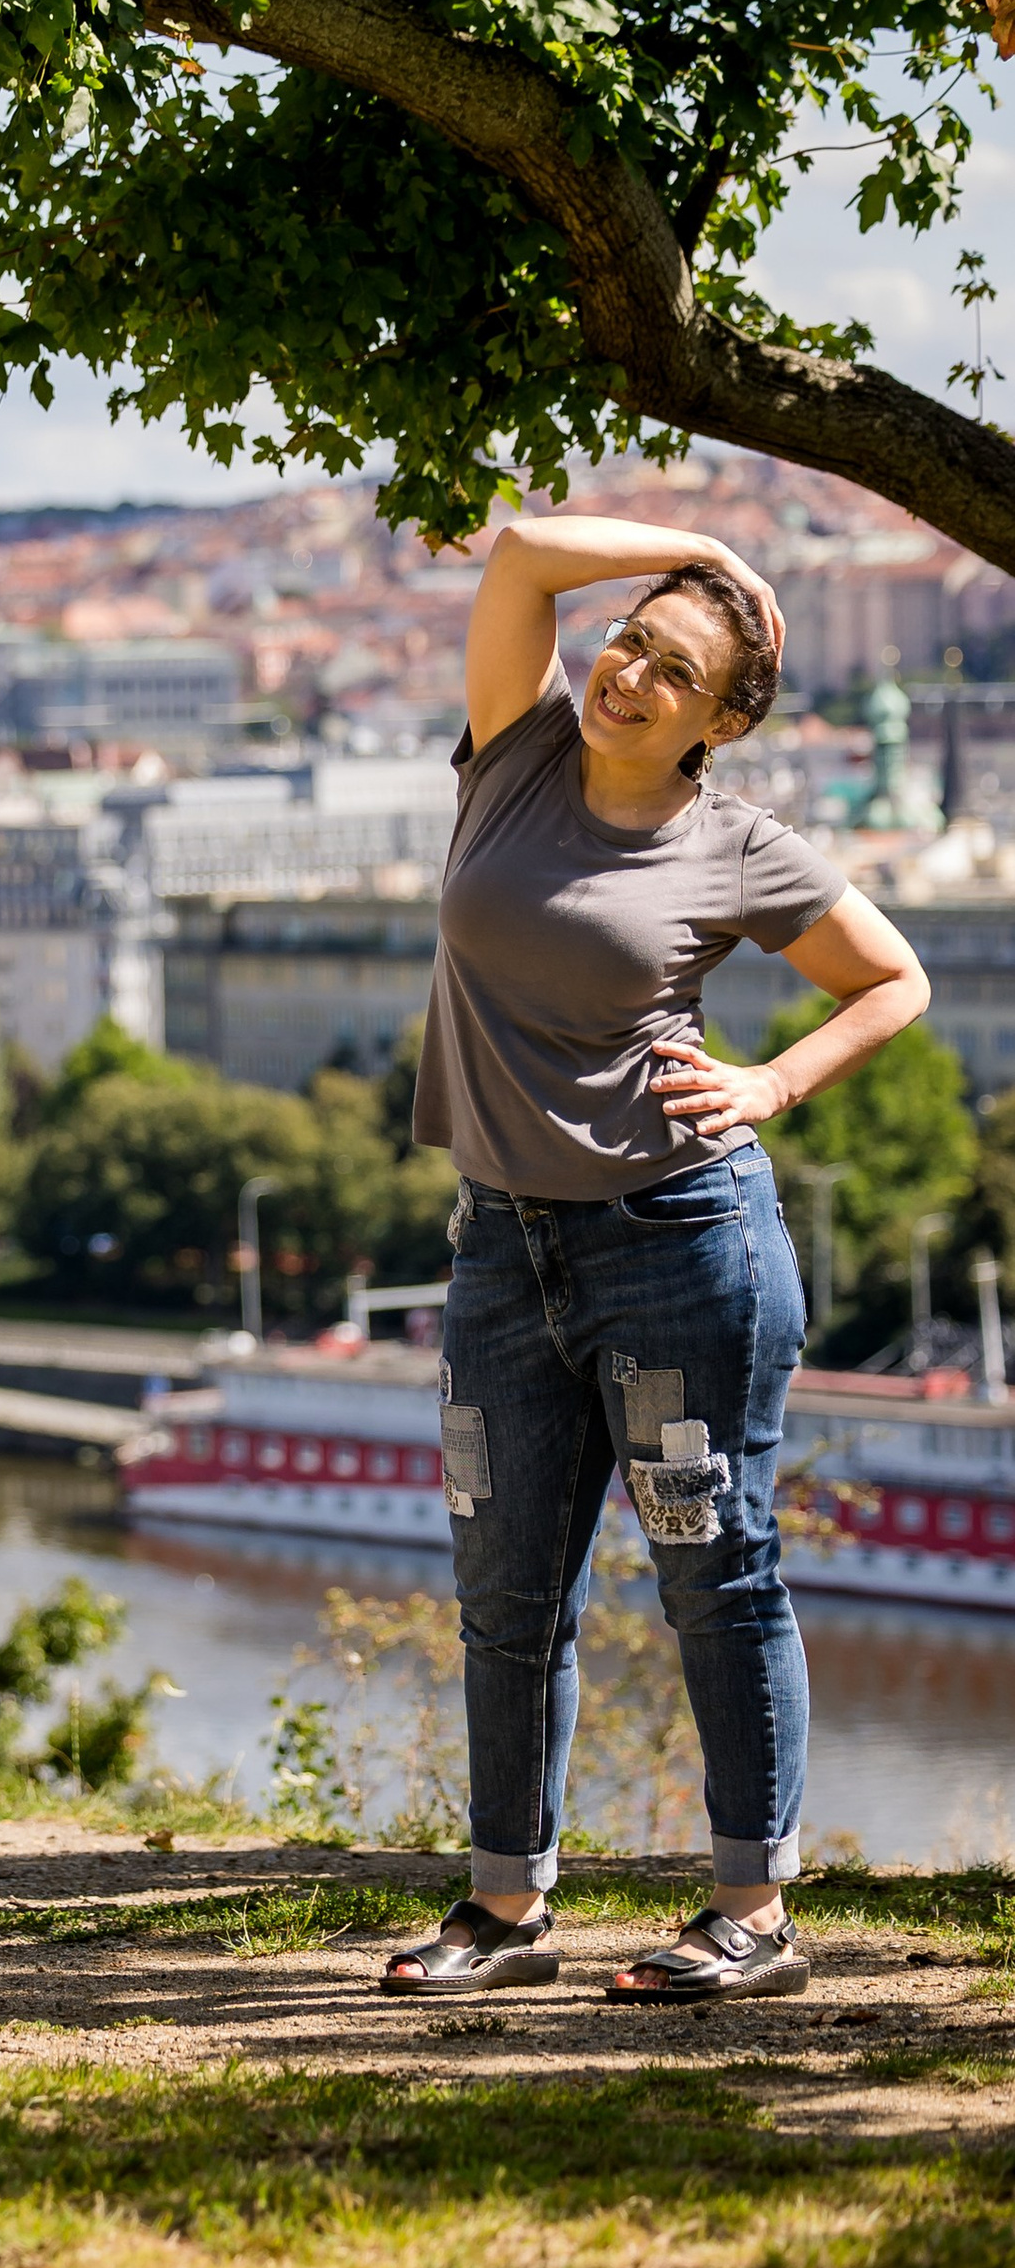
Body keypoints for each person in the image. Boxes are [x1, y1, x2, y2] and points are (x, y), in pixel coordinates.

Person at [379, 512, 926, 2008]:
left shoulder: (737, 847)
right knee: (505, 1585)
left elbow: (897, 979)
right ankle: (505, 1907)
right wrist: (708, 550)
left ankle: (753, 1910)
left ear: (720, 722)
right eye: (629, 638)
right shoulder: (516, 752)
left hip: (681, 1243)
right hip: (503, 1244)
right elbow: (517, 557)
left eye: (673, 669)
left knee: (715, 1572)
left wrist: (772, 1083)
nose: (625, 671)